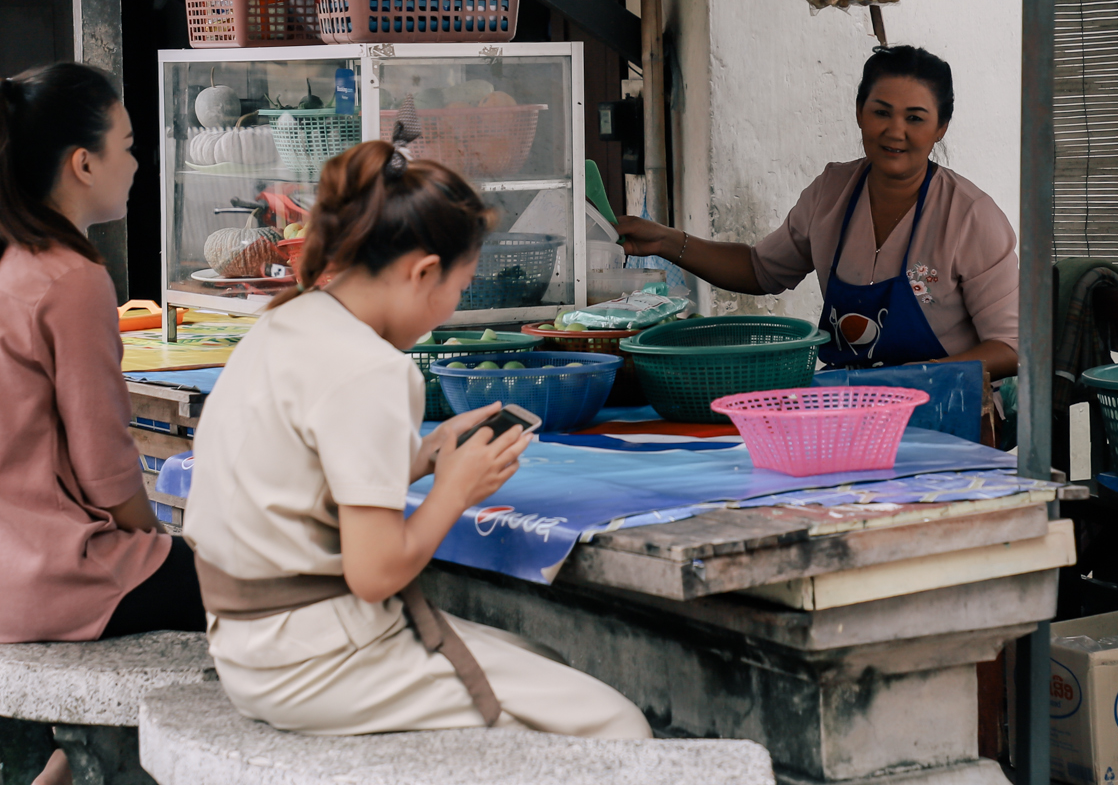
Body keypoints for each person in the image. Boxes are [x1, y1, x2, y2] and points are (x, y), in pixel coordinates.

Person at [181, 135, 650, 738]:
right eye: (459, 288)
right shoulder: (372, 369)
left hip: (248, 642)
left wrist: (424, 458)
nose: (453, 306)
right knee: (616, 726)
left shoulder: (286, 321)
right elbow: (375, 575)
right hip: (316, 662)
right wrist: (453, 490)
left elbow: (297, 481)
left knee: (543, 663)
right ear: (424, 272)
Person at [0, 62, 202, 651]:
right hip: (47, 580)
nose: (136, 164)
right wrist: (161, 544)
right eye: (127, 147)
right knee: (277, 584)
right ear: (84, 163)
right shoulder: (70, 279)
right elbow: (105, 465)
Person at [618, 46, 1018, 414]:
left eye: (915, 118)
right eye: (881, 112)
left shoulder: (970, 217)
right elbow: (761, 269)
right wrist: (668, 241)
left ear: (941, 127)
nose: (895, 131)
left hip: (948, 409)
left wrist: (922, 375)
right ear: (860, 112)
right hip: (849, 404)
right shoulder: (831, 193)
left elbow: (1012, 346)